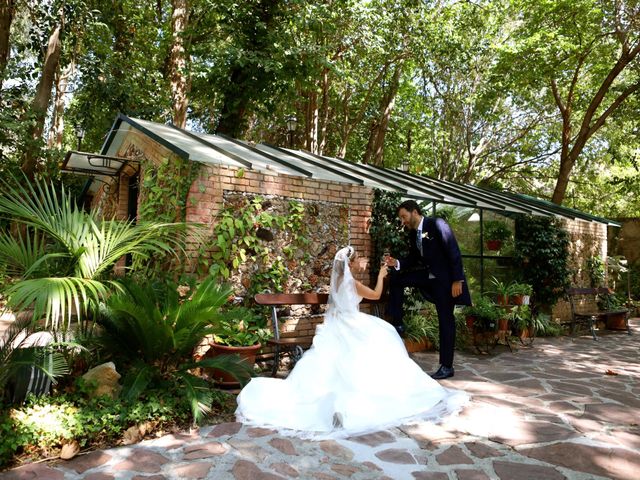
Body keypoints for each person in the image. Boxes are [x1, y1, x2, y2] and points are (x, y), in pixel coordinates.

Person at [235, 246, 468, 438]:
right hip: (350, 322)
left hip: (337, 324)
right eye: (358, 259)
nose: (361, 262)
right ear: (350, 263)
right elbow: (376, 295)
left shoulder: (337, 282)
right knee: (384, 334)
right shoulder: (352, 283)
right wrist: (381, 276)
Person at [384, 200, 471, 380]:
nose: (403, 221)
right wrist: (397, 263)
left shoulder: (437, 224)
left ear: (414, 212)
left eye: (404, 217)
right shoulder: (413, 234)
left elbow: (453, 251)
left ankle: (447, 366)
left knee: (445, 320)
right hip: (428, 277)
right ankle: (398, 323)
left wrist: (458, 280)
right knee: (397, 278)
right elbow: (414, 258)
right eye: (401, 218)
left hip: (445, 281)